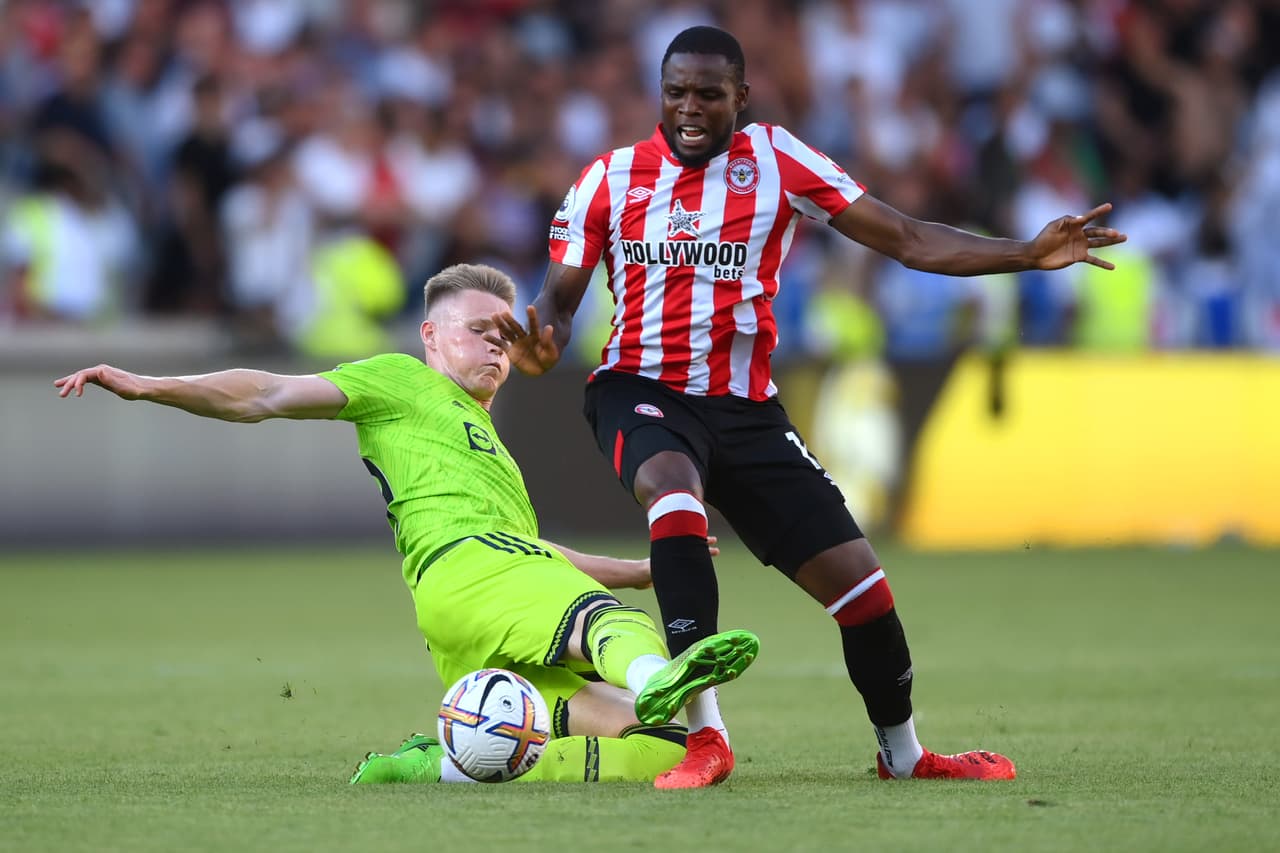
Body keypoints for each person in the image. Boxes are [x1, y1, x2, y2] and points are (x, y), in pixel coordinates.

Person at [490, 25, 1129, 789]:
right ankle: (704, 738)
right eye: (675, 92)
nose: (689, 109)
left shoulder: (779, 161)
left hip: (748, 412)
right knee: (671, 489)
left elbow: (905, 237)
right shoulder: (610, 178)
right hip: (641, 388)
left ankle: (904, 755)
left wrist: (1023, 253)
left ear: (742, 98)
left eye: (708, 94)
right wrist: (544, 340)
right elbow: (557, 303)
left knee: (864, 592)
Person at [54, 262, 760, 785]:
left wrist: (640, 568)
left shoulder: (486, 444)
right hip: (468, 569)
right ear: (430, 335)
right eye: (479, 331)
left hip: (475, 610)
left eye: (506, 338)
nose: (496, 348)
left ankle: (440, 767)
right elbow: (265, 392)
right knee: (619, 627)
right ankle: (657, 673)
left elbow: (534, 555)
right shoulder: (399, 381)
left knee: (664, 747)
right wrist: (150, 385)